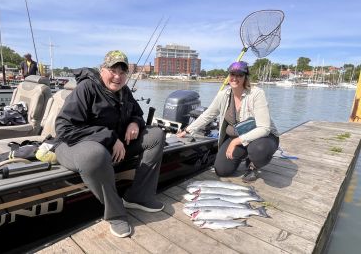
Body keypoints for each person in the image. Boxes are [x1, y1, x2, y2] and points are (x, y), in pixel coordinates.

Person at [54, 50, 166, 238]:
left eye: (123, 72)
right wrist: (111, 138)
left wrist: (134, 123)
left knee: (156, 135)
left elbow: (137, 114)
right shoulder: (87, 88)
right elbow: (64, 128)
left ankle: (138, 196)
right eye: (113, 70)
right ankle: (116, 213)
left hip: (110, 146)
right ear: (102, 70)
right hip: (72, 145)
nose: (117, 77)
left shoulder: (124, 91)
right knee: (95, 155)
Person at [177, 61, 279, 183]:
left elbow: (264, 128)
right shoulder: (223, 95)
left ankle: (253, 166)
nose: (235, 78)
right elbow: (208, 115)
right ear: (228, 76)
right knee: (222, 170)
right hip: (239, 137)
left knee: (259, 150)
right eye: (232, 74)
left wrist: (236, 141)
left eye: (240, 75)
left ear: (245, 77)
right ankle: (245, 154)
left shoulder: (256, 94)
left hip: (263, 138)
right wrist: (187, 130)